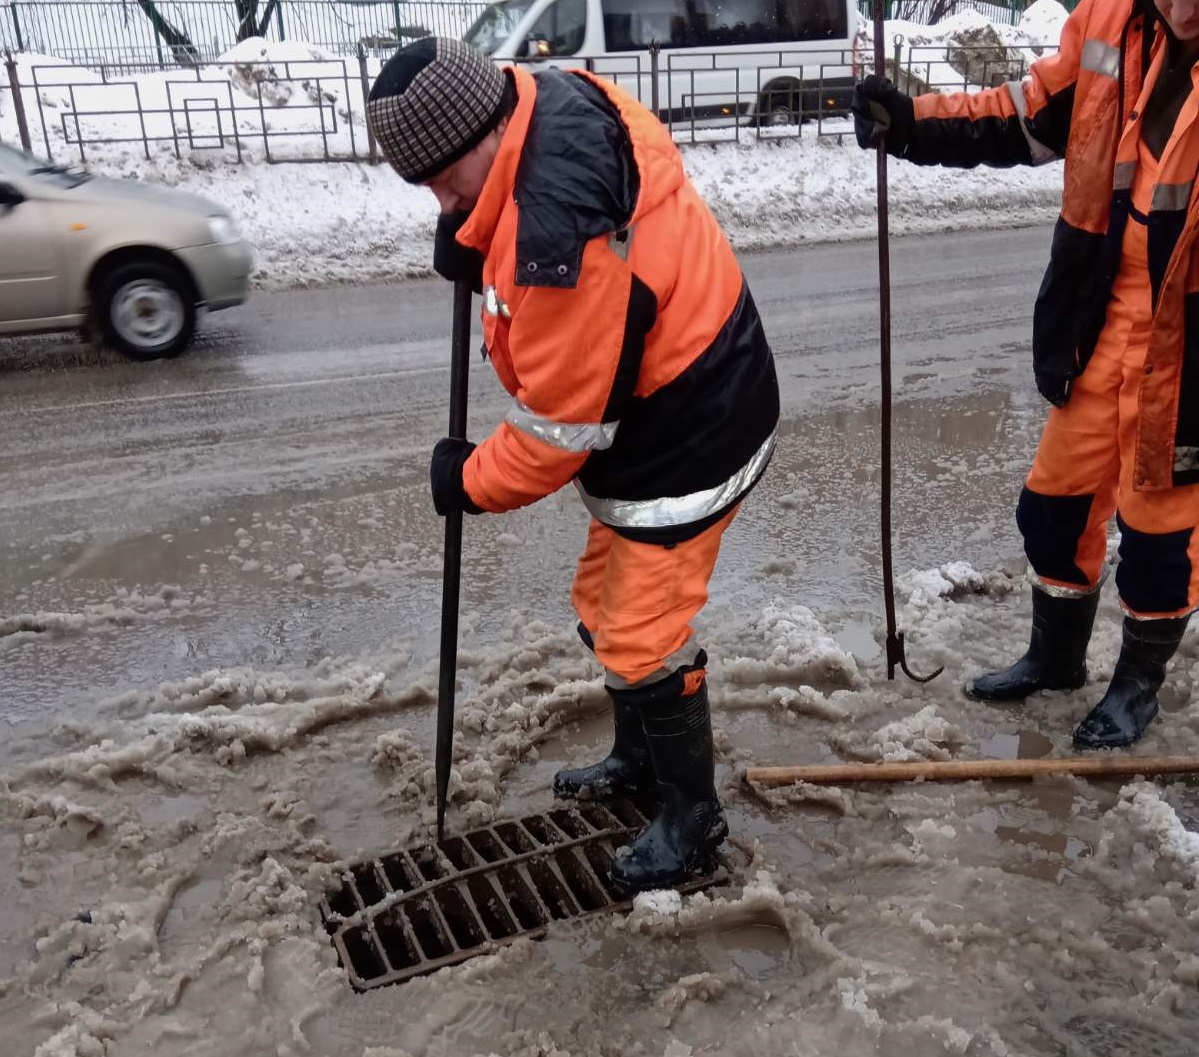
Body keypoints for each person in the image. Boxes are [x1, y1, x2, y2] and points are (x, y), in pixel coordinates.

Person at [367, 38, 779, 890]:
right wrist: (475, 237)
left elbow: (558, 434)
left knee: (640, 633)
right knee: (602, 605)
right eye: (426, 187)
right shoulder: (538, 97)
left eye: (447, 178)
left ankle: (692, 822)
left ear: (489, 127)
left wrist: (466, 480)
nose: (441, 200)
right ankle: (641, 761)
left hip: (694, 423)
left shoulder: (560, 239)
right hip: (667, 390)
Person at [852, 0, 1198, 750]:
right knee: (1053, 503)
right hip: (1101, 310)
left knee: (1158, 532)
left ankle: (1137, 684)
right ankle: (1055, 657)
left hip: (1185, 343)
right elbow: (1025, 115)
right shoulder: (1109, 24)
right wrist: (907, 122)